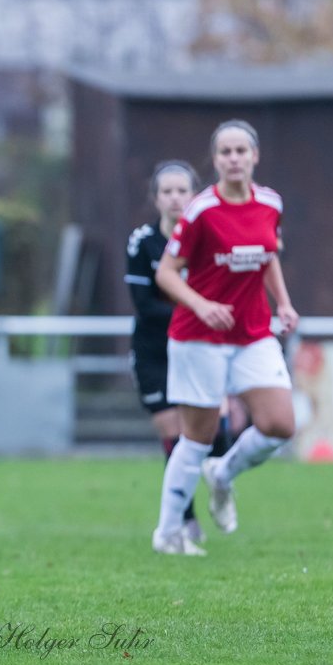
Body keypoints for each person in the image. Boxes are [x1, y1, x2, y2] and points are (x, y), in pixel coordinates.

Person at [151, 119, 299, 555]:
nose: (234, 158)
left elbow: (267, 254)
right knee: (196, 437)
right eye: (225, 152)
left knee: (279, 425)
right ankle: (168, 532)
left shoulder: (270, 203)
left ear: (255, 156)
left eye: (241, 151)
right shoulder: (200, 211)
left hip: (253, 332)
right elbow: (166, 273)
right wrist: (201, 304)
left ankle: (223, 474)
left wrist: (284, 304)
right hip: (200, 337)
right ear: (215, 160)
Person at [126, 160, 207, 543]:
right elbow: (145, 304)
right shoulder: (142, 242)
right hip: (154, 352)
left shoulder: (207, 240)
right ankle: (181, 522)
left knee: (205, 435)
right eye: (167, 192)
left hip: (197, 349)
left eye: (182, 191)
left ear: (194, 195)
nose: (175, 199)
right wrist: (197, 309)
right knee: (173, 434)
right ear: (155, 198)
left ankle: (187, 512)